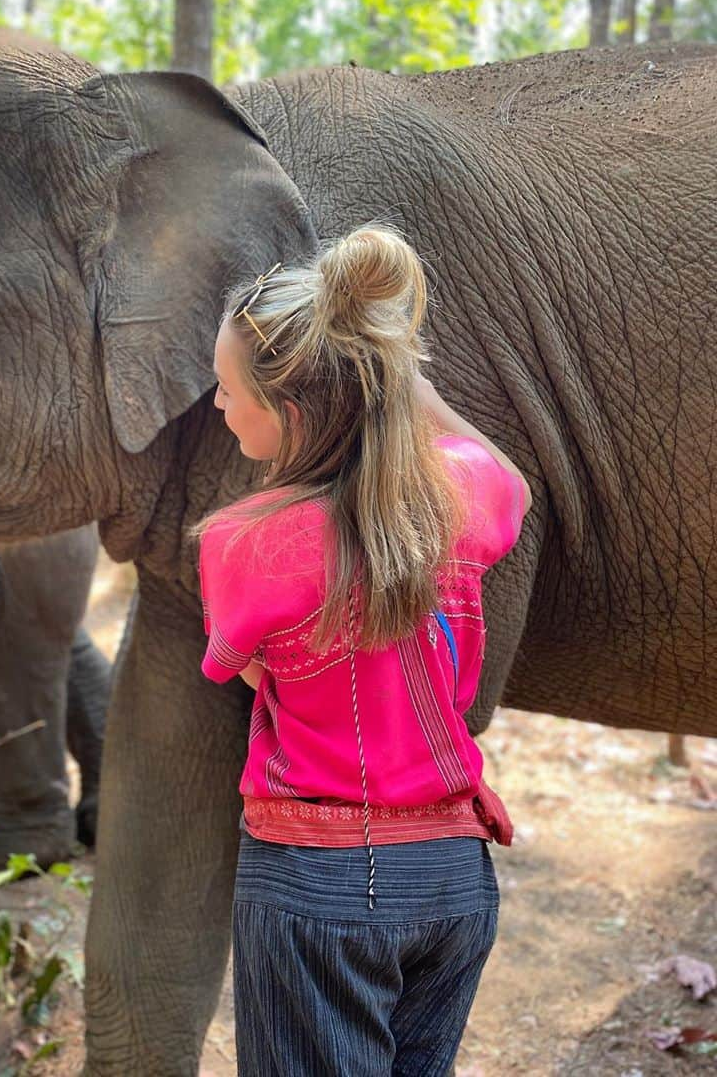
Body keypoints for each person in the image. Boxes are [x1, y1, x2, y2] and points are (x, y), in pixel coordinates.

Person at [194, 224, 532, 1077]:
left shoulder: (242, 543)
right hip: (454, 882)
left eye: (229, 388)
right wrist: (408, 386)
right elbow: (512, 480)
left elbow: (246, 667)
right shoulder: (457, 502)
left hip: (318, 887)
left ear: (291, 411)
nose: (218, 405)